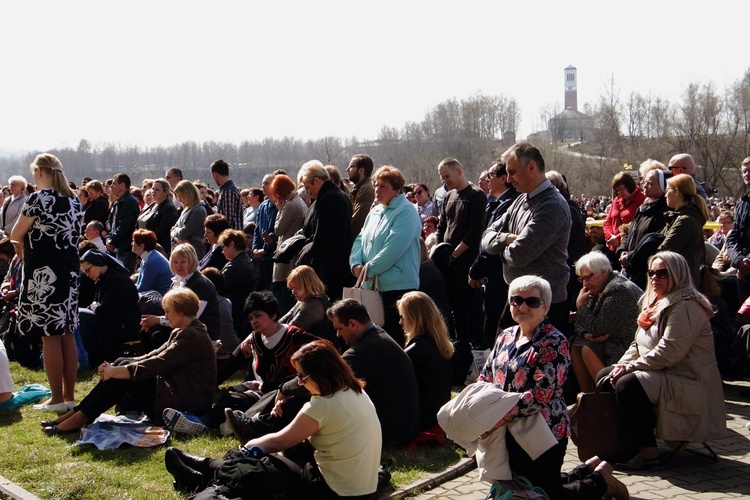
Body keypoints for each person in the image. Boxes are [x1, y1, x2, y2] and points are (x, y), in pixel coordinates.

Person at [165, 340, 381, 499]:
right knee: (273, 460)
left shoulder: (322, 405)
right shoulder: (356, 392)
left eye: (302, 377)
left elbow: (279, 441)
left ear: (320, 375)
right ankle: (207, 470)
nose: (300, 383)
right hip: (360, 488)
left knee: (261, 464)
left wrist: (248, 447)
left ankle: (206, 473)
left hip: (334, 490)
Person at [478, 276, 626, 499]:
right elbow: (486, 378)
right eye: (516, 300)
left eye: (532, 302)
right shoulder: (506, 336)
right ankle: (586, 470)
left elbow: (540, 395)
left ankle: (601, 482)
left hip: (543, 431)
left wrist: (498, 416)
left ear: (546, 307)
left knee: (544, 495)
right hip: (507, 432)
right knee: (526, 486)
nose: (523, 306)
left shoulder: (554, 341)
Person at [597, 252, 725, 470]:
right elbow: (638, 344)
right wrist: (621, 365)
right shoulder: (655, 302)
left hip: (686, 377)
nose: (654, 278)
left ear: (677, 275)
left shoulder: (686, 305)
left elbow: (669, 352)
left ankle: (648, 451)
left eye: (662, 273)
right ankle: (625, 443)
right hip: (663, 371)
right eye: (651, 273)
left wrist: (629, 368)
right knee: (605, 375)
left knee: (628, 384)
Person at [41, 288, 216, 434]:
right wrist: (115, 366)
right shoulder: (184, 331)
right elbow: (153, 355)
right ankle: (79, 412)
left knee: (123, 377)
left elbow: (159, 362)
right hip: (178, 394)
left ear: (181, 311)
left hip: (186, 406)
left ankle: (81, 416)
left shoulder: (193, 336)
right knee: (121, 363)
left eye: (168, 311)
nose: (165, 316)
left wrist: (120, 371)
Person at [164, 291, 318, 436]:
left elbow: (326, 349)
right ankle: (201, 422)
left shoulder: (295, 336)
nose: (254, 321)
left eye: (258, 315)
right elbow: (230, 366)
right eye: (251, 318)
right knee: (233, 397)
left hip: (286, 394)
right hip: (262, 390)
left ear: (273, 315)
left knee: (267, 401)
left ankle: (242, 423)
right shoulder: (254, 339)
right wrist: (206, 385)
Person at [11, 154, 83, 413]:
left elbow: (15, 233)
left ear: (40, 172)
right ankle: (69, 397)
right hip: (70, 273)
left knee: (49, 336)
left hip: (44, 274)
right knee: (67, 333)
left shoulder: (39, 198)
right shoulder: (74, 200)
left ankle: (55, 399)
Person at [481, 142, 571, 333]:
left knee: (537, 362)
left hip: (544, 305)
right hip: (519, 298)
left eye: (512, 172)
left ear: (531, 167)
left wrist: (500, 251)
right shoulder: (521, 200)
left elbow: (519, 256)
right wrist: (506, 239)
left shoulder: (552, 206)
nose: (509, 179)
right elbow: (486, 236)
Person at [328, 298, 419, 446]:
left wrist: (284, 390)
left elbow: (324, 375)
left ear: (353, 324)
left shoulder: (368, 348)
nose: (338, 335)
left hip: (393, 430)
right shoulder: (377, 337)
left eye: (339, 329)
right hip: (401, 424)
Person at [350, 165, 421, 347]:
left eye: (383, 186)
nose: (377, 190)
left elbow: (393, 248)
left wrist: (368, 270)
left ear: (397, 190)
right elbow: (360, 238)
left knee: (395, 340)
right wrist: (356, 263)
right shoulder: (375, 211)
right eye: (376, 185)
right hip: (372, 286)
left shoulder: (406, 211)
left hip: (397, 287)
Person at [435, 157, 487, 350]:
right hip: (448, 261)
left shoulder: (476, 195)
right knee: (455, 308)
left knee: (471, 308)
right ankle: (461, 346)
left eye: (447, 176)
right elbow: (442, 227)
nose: (445, 181)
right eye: (442, 178)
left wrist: (455, 254)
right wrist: (441, 251)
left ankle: (477, 348)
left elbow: (475, 230)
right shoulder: (448, 196)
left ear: (459, 171)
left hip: (466, 261)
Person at [572, 252, 642, 393]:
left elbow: (597, 328)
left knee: (588, 348)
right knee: (575, 342)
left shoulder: (617, 289)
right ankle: (587, 398)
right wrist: (585, 333)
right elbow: (580, 324)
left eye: (588, 277)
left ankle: (604, 397)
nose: (585, 283)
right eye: (582, 279)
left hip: (626, 348)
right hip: (611, 341)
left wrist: (580, 306)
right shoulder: (598, 287)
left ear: (603, 272)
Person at [469, 160, 520, 346]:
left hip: (501, 276)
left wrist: (476, 270)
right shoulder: (499, 203)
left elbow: (492, 246)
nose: (487, 180)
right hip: (493, 277)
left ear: (504, 178)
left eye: (490, 176)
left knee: (496, 331)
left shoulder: (509, 204)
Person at [140, 244, 221, 350]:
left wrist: (157, 320)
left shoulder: (201, 284)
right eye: (175, 262)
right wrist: (150, 321)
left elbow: (192, 317)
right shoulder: (176, 282)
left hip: (200, 330)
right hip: (179, 324)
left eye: (183, 262)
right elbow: (169, 310)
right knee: (145, 332)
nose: (178, 266)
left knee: (158, 336)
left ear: (191, 262)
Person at [297, 161, 354, 301]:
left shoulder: (327, 198)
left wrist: (307, 257)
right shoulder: (341, 195)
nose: (308, 192)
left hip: (330, 266)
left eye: (308, 187)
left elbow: (321, 235)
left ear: (317, 181)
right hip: (342, 262)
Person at [397, 291, 453, 431]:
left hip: (424, 417)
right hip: (438, 412)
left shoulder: (418, 348)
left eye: (403, 317)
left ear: (414, 318)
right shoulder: (438, 342)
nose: (401, 322)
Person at [78, 250, 141, 367]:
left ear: (98, 264)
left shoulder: (117, 280)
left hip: (124, 325)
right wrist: (94, 306)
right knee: (80, 314)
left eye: (88, 270)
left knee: (82, 316)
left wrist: (94, 306)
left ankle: (94, 359)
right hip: (113, 321)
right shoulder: (104, 278)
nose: (87, 274)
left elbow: (104, 310)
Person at [618, 168, 669, 290]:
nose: (645, 186)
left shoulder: (663, 212)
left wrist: (630, 256)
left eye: (651, 184)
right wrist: (622, 250)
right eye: (644, 182)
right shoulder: (643, 207)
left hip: (645, 272)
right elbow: (630, 232)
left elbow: (652, 243)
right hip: (630, 267)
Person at [659, 173, 710, 285]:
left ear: (676, 191)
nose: (665, 194)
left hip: (681, 283)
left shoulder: (686, 221)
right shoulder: (678, 218)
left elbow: (663, 250)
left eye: (667, 190)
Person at [269, 174, 307, 315]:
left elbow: (278, 230)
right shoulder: (299, 201)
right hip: (292, 253)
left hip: (286, 256)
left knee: (283, 295)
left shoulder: (290, 205)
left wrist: (279, 211)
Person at [279, 265, 334, 342]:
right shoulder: (304, 300)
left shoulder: (314, 306)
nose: (293, 292)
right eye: (292, 288)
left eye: (297, 288)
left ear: (310, 285)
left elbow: (290, 329)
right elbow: (284, 320)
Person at [218, 229, 255, 336]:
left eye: (223, 246)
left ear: (232, 244)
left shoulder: (234, 267)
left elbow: (218, 287)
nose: (222, 250)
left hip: (235, 312)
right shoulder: (246, 259)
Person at [603, 172, 645, 256]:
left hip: (630, 248)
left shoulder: (642, 198)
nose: (619, 192)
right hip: (613, 247)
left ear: (629, 185)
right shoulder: (616, 201)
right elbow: (607, 222)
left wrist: (618, 238)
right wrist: (610, 237)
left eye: (622, 189)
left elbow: (639, 223)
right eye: (617, 190)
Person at [106, 173, 140, 273]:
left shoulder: (129, 202)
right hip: (117, 247)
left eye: (114, 183)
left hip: (125, 248)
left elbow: (125, 226)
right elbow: (113, 225)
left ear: (122, 185)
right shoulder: (118, 202)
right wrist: (109, 239)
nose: (111, 186)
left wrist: (112, 240)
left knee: (124, 276)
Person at [727, 157, 750, 304]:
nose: (747, 174)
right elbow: (732, 237)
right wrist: (739, 260)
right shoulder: (742, 203)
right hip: (744, 273)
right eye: (745, 172)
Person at [136, 178, 178, 253]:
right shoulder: (152, 205)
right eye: (153, 189)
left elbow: (162, 231)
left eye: (157, 190)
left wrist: (146, 241)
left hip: (157, 249)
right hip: (143, 247)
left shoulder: (169, 209)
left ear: (166, 193)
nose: (153, 192)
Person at [252, 173, 279, 291]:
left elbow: (278, 233)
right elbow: (257, 229)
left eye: (266, 183)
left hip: (274, 255)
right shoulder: (263, 206)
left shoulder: (281, 205)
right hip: (262, 256)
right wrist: (255, 247)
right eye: (262, 183)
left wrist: (266, 249)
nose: (263, 186)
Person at [171, 180, 208, 259]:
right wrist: (177, 238)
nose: (179, 200)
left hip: (194, 251)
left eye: (181, 196)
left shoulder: (198, 211)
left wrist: (175, 233)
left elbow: (183, 233)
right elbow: (172, 229)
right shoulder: (187, 209)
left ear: (188, 194)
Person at [132, 229, 173, 296]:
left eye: (134, 241)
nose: (132, 244)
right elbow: (138, 284)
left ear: (142, 246)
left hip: (162, 297)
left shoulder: (151, 262)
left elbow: (143, 288)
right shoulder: (148, 257)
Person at [347, 154, 375, 241]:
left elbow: (357, 223)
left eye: (351, 166)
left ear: (361, 170)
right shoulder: (359, 188)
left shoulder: (366, 190)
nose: (347, 169)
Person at [211, 159, 243, 231]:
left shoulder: (228, 192)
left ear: (215, 174)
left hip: (231, 237)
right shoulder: (231, 188)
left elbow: (227, 220)